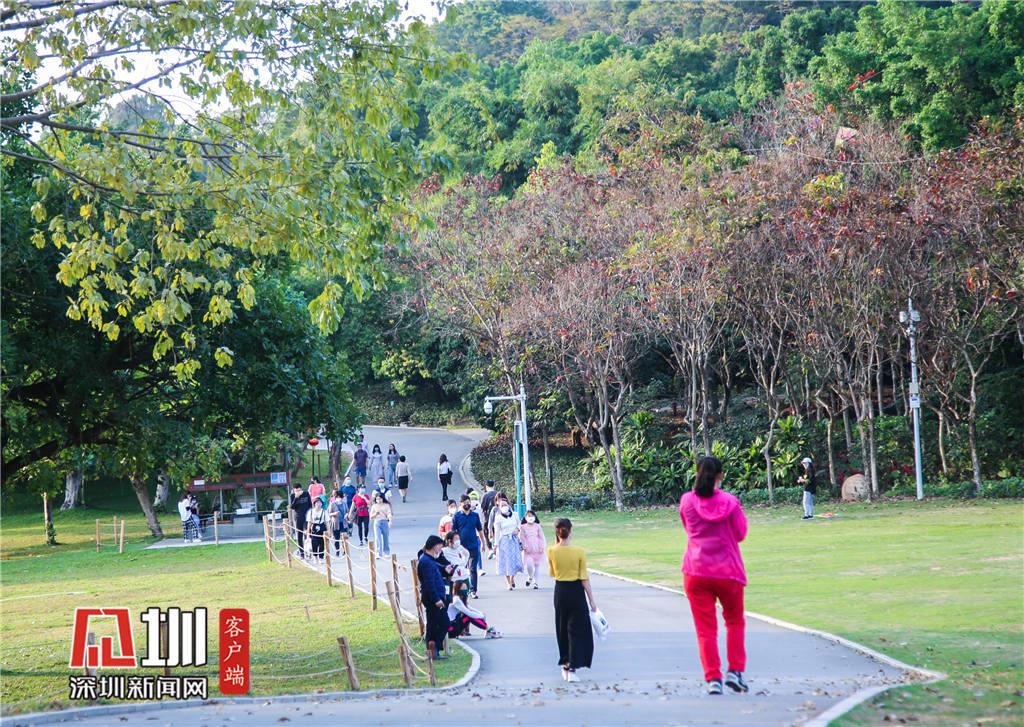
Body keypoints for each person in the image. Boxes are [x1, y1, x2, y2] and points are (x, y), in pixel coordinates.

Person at [679, 456, 749, 696]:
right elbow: (740, 534)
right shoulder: (730, 502)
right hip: (727, 571)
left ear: (697, 474)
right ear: (720, 475)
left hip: (696, 571)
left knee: (705, 629)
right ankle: (735, 672)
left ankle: (713, 679)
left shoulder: (687, 501)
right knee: (734, 622)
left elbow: (689, 528)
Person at [547, 517, 597, 683]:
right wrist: (591, 600)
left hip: (560, 592)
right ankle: (572, 669)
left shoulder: (551, 550)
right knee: (577, 630)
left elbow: (553, 573)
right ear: (570, 531)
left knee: (562, 629)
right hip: (576, 591)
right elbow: (584, 577)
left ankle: (565, 664)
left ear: (557, 532)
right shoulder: (579, 551)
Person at [417, 535, 453, 660]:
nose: (441, 550)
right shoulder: (426, 561)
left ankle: (434, 648)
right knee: (433, 625)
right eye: (441, 547)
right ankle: (433, 649)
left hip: (436, 597)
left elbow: (436, 566)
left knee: (444, 623)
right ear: (436, 547)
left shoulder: (428, 559)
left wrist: (445, 568)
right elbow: (429, 584)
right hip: (433, 599)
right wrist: (436, 599)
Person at [452, 495, 483, 598]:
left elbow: (479, 530)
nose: (467, 504)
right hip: (461, 547)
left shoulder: (475, 515)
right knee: (462, 568)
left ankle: (473, 590)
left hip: (473, 544)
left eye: (468, 502)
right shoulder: (457, 516)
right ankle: (461, 589)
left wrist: (483, 543)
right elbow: (453, 531)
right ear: (460, 504)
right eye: (464, 503)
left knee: (473, 568)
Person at [494, 498, 524, 590]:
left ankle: (512, 578)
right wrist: (496, 544)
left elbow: (519, 524)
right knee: (506, 562)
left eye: (505, 505)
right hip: (504, 541)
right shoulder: (498, 518)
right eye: (502, 505)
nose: (504, 507)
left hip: (514, 540)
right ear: (499, 507)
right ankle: (508, 583)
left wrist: (517, 529)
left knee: (516, 562)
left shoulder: (515, 515)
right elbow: (497, 532)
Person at [519, 510, 547, 590]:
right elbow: (522, 538)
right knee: (530, 564)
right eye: (529, 516)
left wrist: (542, 547)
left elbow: (542, 537)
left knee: (537, 565)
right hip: (528, 548)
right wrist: (525, 547)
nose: (531, 517)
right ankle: (530, 576)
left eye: (532, 516)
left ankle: (536, 583)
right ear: (525, 517)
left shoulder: (537, 526)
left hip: (537, 547)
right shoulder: (523, 527)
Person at [289, 482, 312, 558]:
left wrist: (309, 513)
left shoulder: (306, 494)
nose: (297, 492)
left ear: (301, 489)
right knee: (299, 535)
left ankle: (308, 551)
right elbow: (292, 507)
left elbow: (310, 505)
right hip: (298, 517)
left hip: (306, 517)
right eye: (296, 490)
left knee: (307, 533)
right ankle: (301, 552)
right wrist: (296, 497)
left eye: (299, 490)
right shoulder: (292, 496)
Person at [306, 498, 329, 563]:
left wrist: (329, 531)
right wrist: (308, 532)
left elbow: (327, 522)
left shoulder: (324, 511)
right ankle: (315, 556)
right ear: (314, 503)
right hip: (314, 527)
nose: (319, 503)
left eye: (320, 502)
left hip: (322, 527)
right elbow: (309, 522)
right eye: (317, 502)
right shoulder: (311, 512)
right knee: (314, 543)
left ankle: (321, 558)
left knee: (322, 543)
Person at [369, 492, 392, 557]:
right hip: (377, 522)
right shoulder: (374, 506)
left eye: (380, 498)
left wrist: (390, 521)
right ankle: (378, 552)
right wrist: (375, 514)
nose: (379, 500)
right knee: (377, 538)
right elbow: (371, 516)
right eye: (377, 499)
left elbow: (389, 513)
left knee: (386, 537)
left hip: (384, 521)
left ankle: (386, 552)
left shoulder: (386, 505)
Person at [480, 480, 497, 559]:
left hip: (487, 518)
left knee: (487, 533)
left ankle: (490, 549)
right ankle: (495, 547)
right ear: (494, 485)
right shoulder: (498, 494)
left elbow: (482, 507)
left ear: (486, 486)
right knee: (496, 533)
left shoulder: (485, 495)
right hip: (497, 518)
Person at [328, 488, 347, 557]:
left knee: (344, 537)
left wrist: (346, 515)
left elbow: (347, 511)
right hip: (336, 523)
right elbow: (329, 513)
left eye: (340, 497)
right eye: (337, 497)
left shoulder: (344, 503)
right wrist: (335, 513)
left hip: (343, 522)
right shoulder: (332, 504)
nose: (338, 498)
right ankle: (337, 551)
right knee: (337, 538)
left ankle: (344, 551)